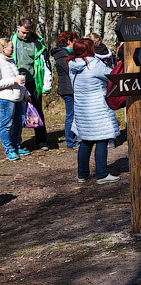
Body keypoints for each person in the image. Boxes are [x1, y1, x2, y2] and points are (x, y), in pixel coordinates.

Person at [68, 39, 120, 184]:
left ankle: (82, 174)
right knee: (102, 139)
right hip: (97, 108)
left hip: (82, 108)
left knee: (86, 140)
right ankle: (102, 174)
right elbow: (112, 76)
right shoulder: (94, 64)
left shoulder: (72, 65)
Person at [10, 18, 50, 150]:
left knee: (37, 110)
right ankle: (15, 142)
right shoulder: (11, 41)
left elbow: (45, 64)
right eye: (22, 32)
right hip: (15, 81)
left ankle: (41, 140)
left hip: (33, 81)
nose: (24, 35)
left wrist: (46, 85)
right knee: (15, 112)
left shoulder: (37, 42)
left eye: (27, 32)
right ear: (17, 28)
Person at [0, 37, 27, 161]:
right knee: (6, 125)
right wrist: (13, 80)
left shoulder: (11, 61)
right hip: (6, 98)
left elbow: (18, 77)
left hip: (18, 97)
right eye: (11, 47)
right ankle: (9, 150)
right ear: (3, 48)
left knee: (19, 123)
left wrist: (26, 93)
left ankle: (16, 146)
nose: (13, 49)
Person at [52, 31, 79, 149]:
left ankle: (73, 139)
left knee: (73, 115)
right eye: (74, 41)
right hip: (68, 90)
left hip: (70, 88)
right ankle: (71, 141)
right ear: (69, 41)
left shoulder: (66, 54)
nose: (76, 43)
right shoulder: (63, 56)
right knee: (71, 115)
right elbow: (71, 71)